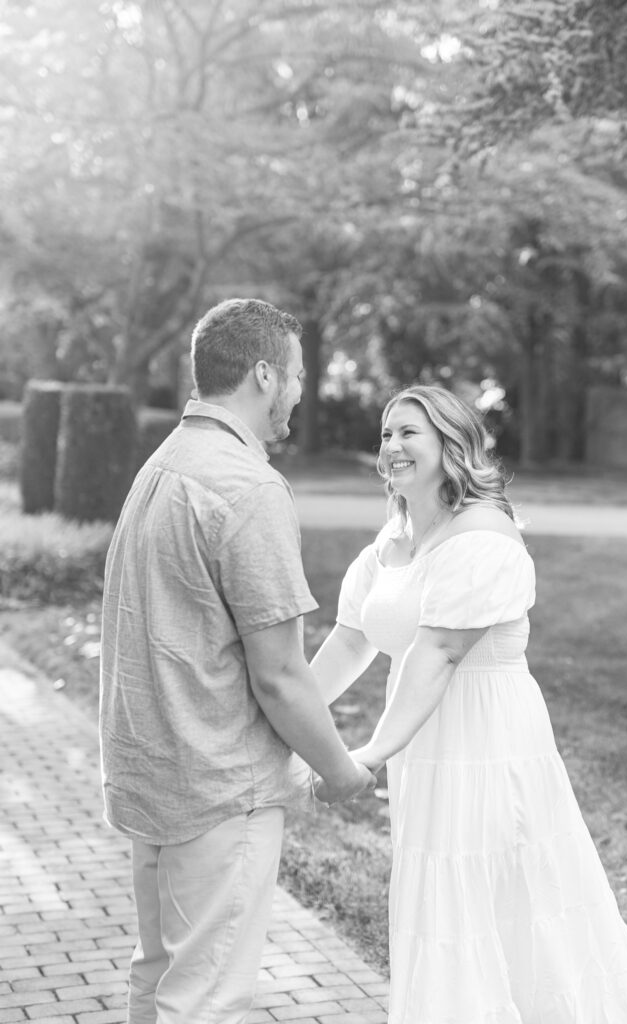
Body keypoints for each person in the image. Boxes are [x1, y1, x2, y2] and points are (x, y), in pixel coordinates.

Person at [310, 384, 627, 1024]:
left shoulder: (485, 535)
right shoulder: (393, 540)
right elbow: (349, 639)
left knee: (498, 890)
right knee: (441, 894)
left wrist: (365, 755)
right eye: (386, 434)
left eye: (408, 433)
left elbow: (440, 654)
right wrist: (293, 719)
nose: (391, 446)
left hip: (487, 738)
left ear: (452, 446)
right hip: (423, 738)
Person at [99, 297, 375, 1024]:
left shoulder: (163, 463)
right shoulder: (247, 486)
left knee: (157, 979)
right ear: (262, 374)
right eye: (295, 376)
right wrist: (342, 771)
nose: (298, 392)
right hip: (218, 786)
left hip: (152, 774)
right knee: (208, 1000)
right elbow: (280, 675)